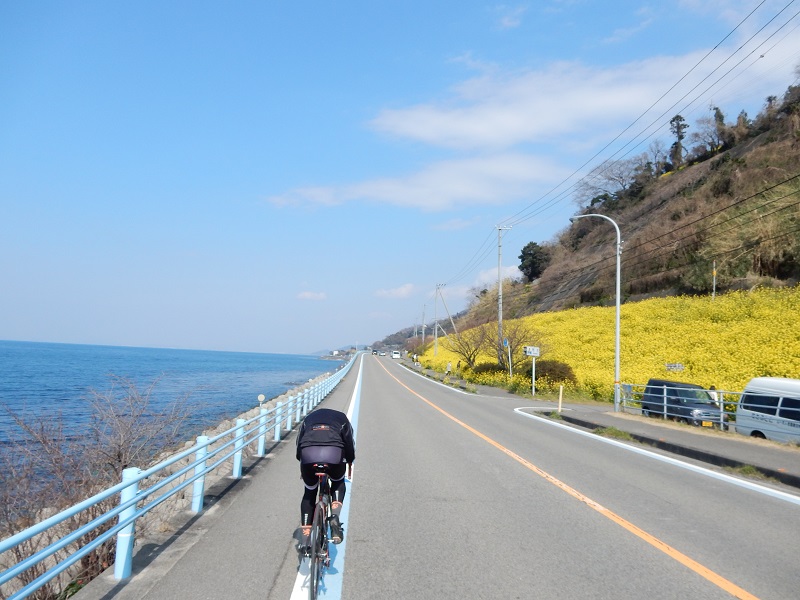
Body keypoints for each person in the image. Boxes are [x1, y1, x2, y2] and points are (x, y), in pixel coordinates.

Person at [295, 408, 355, 552]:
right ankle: (334, 516)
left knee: (309, 492)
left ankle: (305, 541)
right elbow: (348, 443)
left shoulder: (308, 418)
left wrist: (302, 462)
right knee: (337, 481)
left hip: (308, 455)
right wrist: (350, 460)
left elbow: (299, 443)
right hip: (333, 455)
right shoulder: (342, 419)